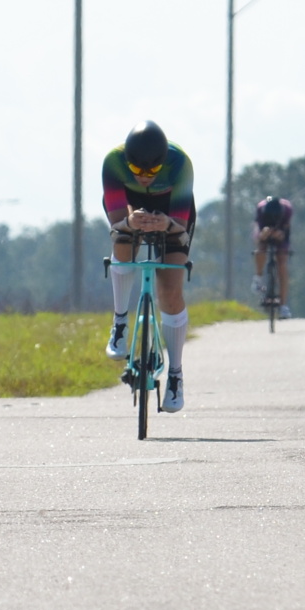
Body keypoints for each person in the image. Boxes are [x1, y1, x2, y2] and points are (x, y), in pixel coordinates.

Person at [99, 120, 195, 413]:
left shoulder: (180, 164)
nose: (143, 176)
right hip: (130, 206)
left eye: (152, 171)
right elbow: (117, 221)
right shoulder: (113, 162)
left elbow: (180, 225)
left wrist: (168, 224)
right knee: (123, 238)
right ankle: (120, 323)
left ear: (162, 163)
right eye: (136, 169)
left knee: (170, 289)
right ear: (127, 161)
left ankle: (175, 374)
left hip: (171, 208)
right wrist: (129, 221)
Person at [252, 195, 294, 318]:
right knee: (261, 249)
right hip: (263, 227)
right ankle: (258, 277)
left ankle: (283, 306)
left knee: (282, 263)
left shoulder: (287, 209)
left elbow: (286, 230)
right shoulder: (261, 208)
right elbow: (258, 233)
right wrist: (263, 235)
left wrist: (281, 234)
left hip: (281, 228)